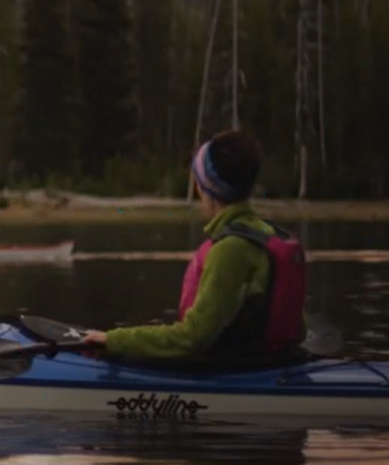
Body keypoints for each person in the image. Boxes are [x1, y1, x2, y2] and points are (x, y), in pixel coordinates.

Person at [81, 130, 307, 361]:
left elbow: (193, 338)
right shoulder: (267, 234)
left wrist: (114, 340)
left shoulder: (230, 250)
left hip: (239, 370)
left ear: (206, 188)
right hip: (274, 362)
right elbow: (299, 328)